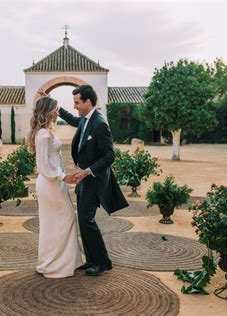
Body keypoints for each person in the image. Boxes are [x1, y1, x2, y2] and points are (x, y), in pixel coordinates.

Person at [57, 85, 129, 276]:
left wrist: (88, 171)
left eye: (77, 103)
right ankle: (92, 260)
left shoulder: (99, 123)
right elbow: (73, 119)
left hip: (93, 180)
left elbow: (109, 156)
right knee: (83, 220)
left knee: (86, 220)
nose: (75, 107)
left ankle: (103, 262)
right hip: (83, 179)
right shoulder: (86, 119)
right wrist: (56, 107)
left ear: (88, 102)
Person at [27, 96, 83, 278]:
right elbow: (42, 165)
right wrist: (62, 176)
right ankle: (53, 265)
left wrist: (62, 177)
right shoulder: (43, 134)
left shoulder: (46, 131)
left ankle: (64, 262)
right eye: (55, 109)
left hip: (55, 183)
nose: (57, 112)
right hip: (50, 183)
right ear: (47, 111)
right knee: (61, 221)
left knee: (58, 222)